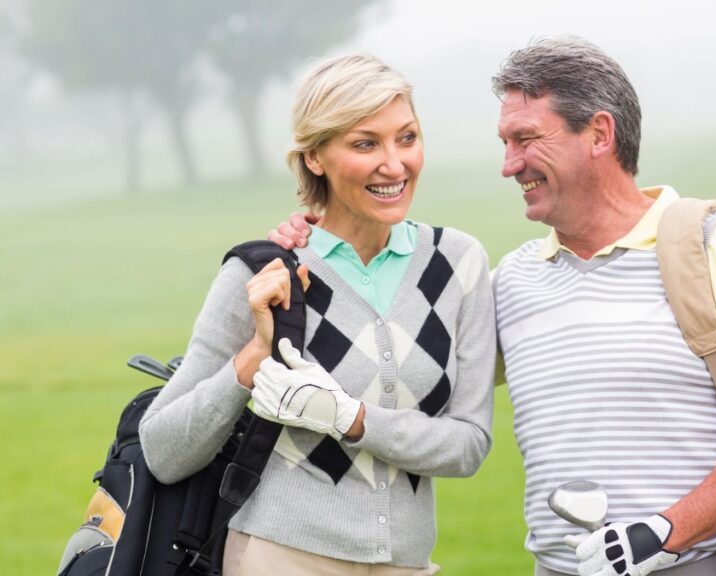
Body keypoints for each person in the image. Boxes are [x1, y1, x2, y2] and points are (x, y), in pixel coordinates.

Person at [271, 37, 716, 576]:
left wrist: (661, 534)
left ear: (599, 134)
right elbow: (404, 369)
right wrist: (323, 243)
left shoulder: (709, 245)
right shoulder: (512, 279)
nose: (510, 166)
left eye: (526, 139)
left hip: (695, 564)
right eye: (505, 143)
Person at [139, 54, 496, 576]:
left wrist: (349, 418)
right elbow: (163, 450)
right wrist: (255, 357)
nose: (394, 164)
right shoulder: (262, 274)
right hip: (278, 557)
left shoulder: (459, 264)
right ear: (314, 158)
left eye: (407, 138)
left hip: (408, 563)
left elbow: (468, 444)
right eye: (364, 144)